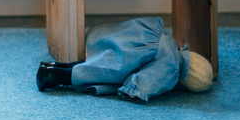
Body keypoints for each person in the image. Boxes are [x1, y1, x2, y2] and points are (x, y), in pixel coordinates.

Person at [36, 17, 214, 102]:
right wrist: (135, 90)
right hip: (124, 60)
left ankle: (53, 66)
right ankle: (52, 76)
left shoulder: (172, 42)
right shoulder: (171, 69)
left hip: (122, 40)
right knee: (94, 71)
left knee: (93, 61)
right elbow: (146, 81)